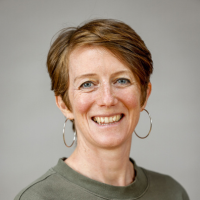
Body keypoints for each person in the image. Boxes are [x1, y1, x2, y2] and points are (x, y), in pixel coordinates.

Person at [14, 19, 189, 200]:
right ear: (64, 105)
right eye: (87, 84)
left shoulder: (172, 193)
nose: (107, 99)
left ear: (144, 95)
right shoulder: (37, 197)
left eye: (122, 80)